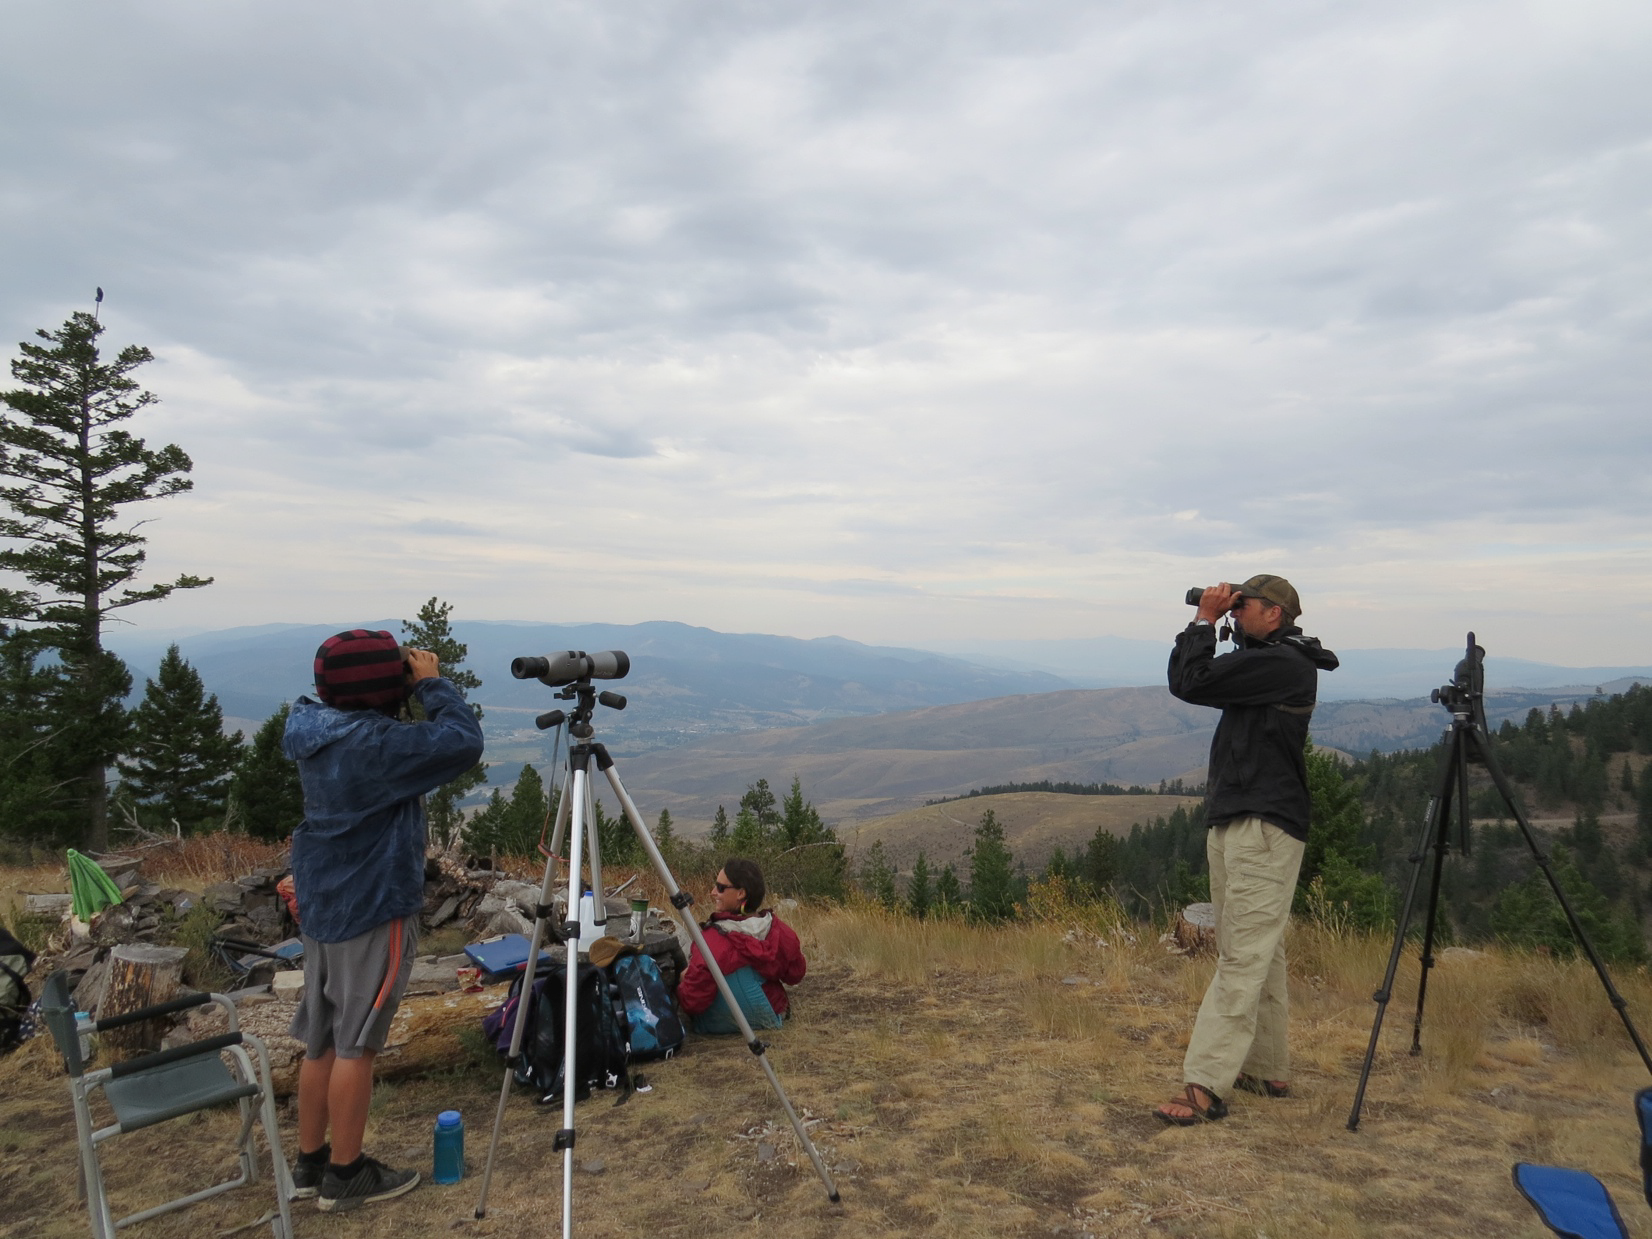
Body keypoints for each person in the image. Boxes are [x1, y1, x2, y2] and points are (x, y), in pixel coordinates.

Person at [283, 629, 485, 1209]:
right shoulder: (373, 745)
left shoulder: (313, 727)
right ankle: (347, 1176)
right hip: (371, 901)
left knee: (320, 1038)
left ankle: (311, 1162)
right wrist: (433, 685)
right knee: (357, 1043)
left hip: (324, 899)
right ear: (379, 689)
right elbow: (461, 742)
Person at [1154, 576, 1338, 1126]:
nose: (1236, 610)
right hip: (1239, 819)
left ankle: (1204, 1085)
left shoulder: (1286, 665)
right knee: (1258, 949)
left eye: (1245, 604)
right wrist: (1226, 620)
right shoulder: (1269, 661)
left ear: (1275, 615)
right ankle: (1267, 1067)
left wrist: (1206, 620)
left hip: (1265, 825)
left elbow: (1190, 681)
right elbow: (1205, 680)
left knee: (1239, 958)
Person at [677, 858, 806, 1032]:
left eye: (721, 888)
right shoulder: (781, 932)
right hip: (773, 1014)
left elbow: (692, 1002)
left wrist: (684, 979)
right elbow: (795, 975)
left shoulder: (712, 940)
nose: (713, 892)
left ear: (740, 893)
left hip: (719, 1025)